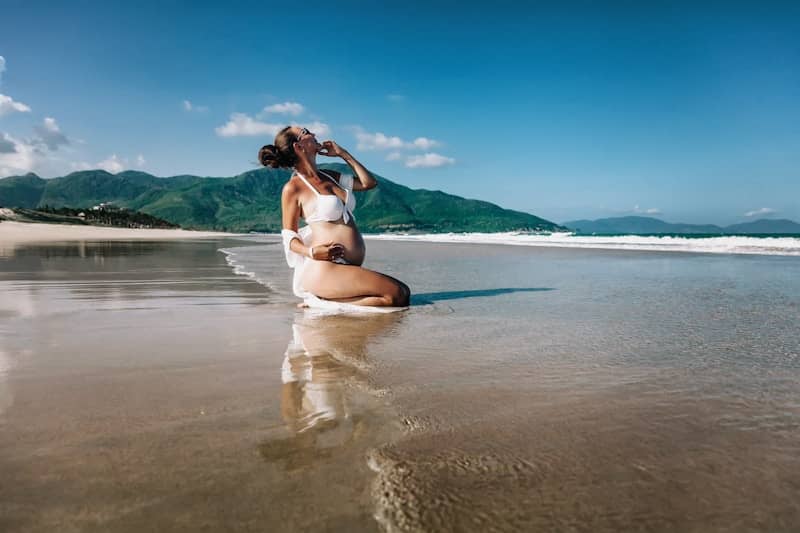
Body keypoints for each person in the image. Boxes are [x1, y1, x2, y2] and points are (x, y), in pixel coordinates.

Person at [258, 126, 410, 307]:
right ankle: (319, 301)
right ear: (298, 147)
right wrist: (312, 252)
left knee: (402, 292)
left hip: (346, 267)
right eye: (306, 132)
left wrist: (343, 154)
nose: (314, 134)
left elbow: (368, 183)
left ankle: (324, 301)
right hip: (325, 267)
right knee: (398, 294)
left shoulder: (329, 176)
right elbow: (289, 237)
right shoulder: (293, 188)